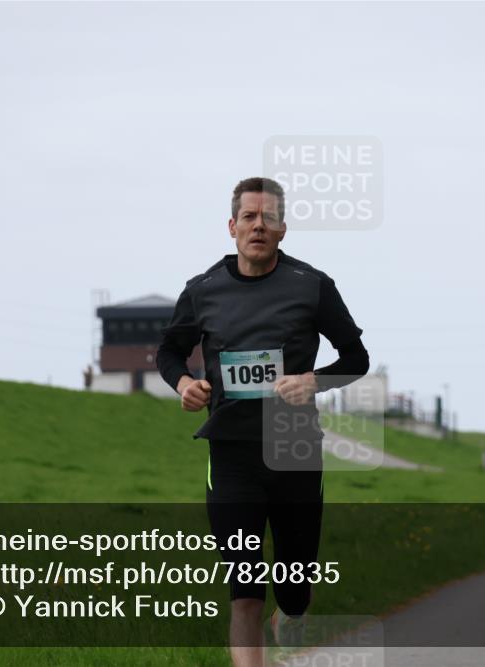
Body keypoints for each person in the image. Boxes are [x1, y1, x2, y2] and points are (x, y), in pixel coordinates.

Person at [157, 177, 369, 667]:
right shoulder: (203, 289)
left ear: (283, 229)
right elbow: (168, 350)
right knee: (245, 588)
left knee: (294, 590)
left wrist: (313, 381)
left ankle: (290, 617)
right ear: (232, 227)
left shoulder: (312, 286)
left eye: (268, 218)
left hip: (293, 445)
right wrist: (184, 384)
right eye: (249, 217)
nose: (258, 225)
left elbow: (356, 357)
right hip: (231, 451)